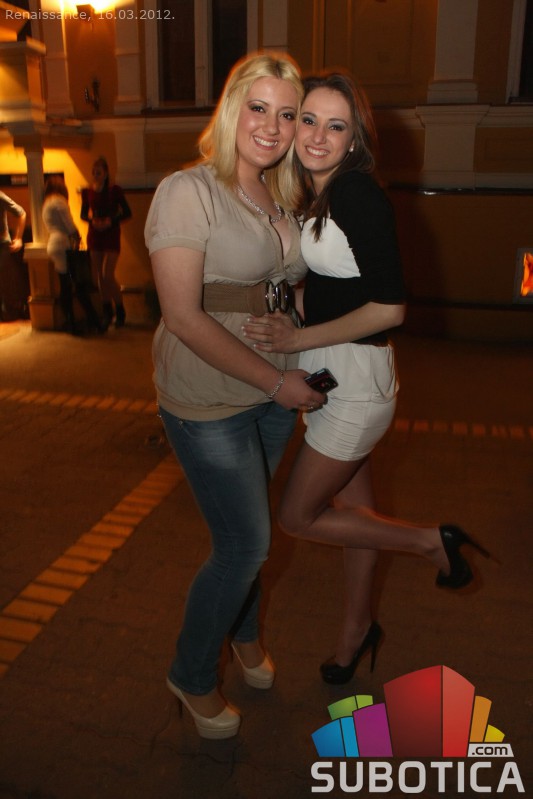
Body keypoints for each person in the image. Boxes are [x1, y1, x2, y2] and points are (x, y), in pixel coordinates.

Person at [243, 72, 489, 685]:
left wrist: (296, 339)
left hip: (354, 385)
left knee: (297, 516)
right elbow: (340, 282)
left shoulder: (356, 194)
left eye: (336, 126)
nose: (316, 137)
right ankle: (356, 631)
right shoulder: (323, 193)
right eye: (308, 120)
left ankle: (432, 542)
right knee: (358, 517)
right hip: (341, 377)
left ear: (355, 140)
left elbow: (391, 306)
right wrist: (289, 304)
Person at [144, 52, 325, 739]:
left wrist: (310, 350)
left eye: (288, 113)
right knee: (244, 544)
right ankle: (192, 674)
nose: (272, 126)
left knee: (251, 531)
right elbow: (182, 315)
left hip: (272, 389)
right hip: (210, 396)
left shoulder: (280, 196)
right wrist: (278, 381)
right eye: (259, 108)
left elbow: (290, 287)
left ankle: (244, 635)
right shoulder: (188, 190)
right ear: (230, 110)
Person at [42, 176, 103, 335]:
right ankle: (92, 320)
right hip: (63, 245)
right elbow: (70, 226)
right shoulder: (59, 201)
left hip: (53, 244)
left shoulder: (46, 203)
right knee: (78, 284)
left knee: (65, 285)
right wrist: (78, 238)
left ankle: (71, 321)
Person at [81, 157, 132, 329]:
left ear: (105, 173)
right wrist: (92, 221)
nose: (95, 175)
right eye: (94, 172)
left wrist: (111, 221)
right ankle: (107, 311)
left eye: (99, 172)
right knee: (99, 276)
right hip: (95, 234)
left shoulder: (114, 190)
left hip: (111, 233)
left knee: (107, 275)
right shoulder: (87, 191)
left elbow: (127, 212)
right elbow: (83, 214)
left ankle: (120, 309)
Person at [0, 191, 26, 321]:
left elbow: (21, 213)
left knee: (5, 282)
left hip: (2, 244)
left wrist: (18, 238)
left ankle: (10, 312)